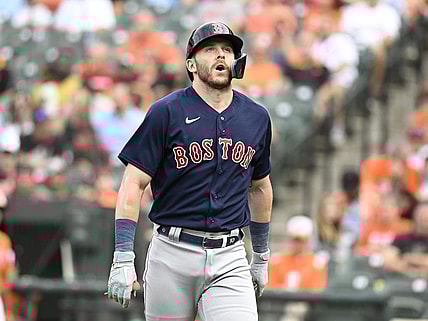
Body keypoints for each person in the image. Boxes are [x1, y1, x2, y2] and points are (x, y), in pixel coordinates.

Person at [106, 21, 273, 321]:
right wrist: (122, 254)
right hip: (172, 252)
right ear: (191, 64)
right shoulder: (166, 112)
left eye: (227, 50)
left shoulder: (256, 118)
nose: (221, 55)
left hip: (229, 255)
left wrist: (260, 256)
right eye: (210, 49)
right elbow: (133, 183)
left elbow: (260, 187)